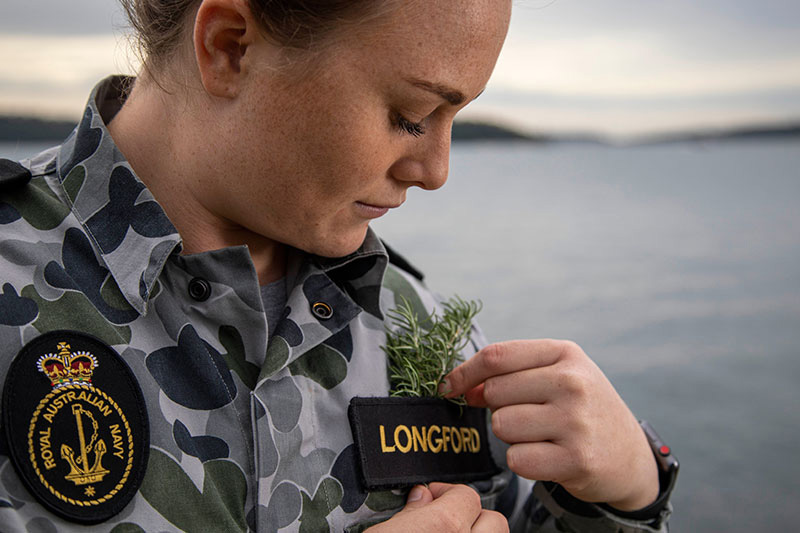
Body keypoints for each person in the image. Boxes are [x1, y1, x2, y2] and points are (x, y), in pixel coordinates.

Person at [0, 0, 676, 531]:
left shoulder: (415, 326)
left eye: (455, 116)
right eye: (411, 114)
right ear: (230, 47)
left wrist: (625, 495)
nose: (435, 170)